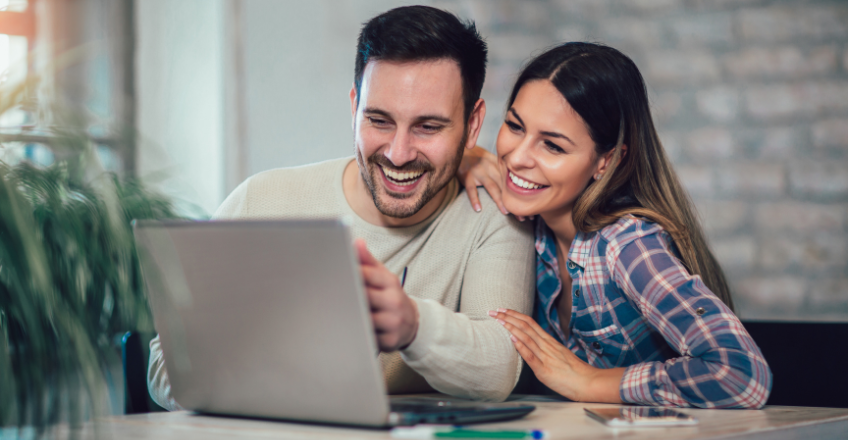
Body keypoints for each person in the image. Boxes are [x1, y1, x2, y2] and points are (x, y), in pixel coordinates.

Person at [147, 6, 536, 411]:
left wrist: (412, 325)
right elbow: (164, 367)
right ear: (354, 108)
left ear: (473, 125)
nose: (398, 154)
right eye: (379, 120)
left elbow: (499, 367)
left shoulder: (494, 213)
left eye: (428, 127)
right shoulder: (261, 201)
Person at [458, 42, 772, 408]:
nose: (517, 156)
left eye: (553, 146)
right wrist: (467, 157)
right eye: (514, 125)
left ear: (605, 161)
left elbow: (742, 374)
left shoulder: (628, 246)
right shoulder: (533, 221)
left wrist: (589, 381)